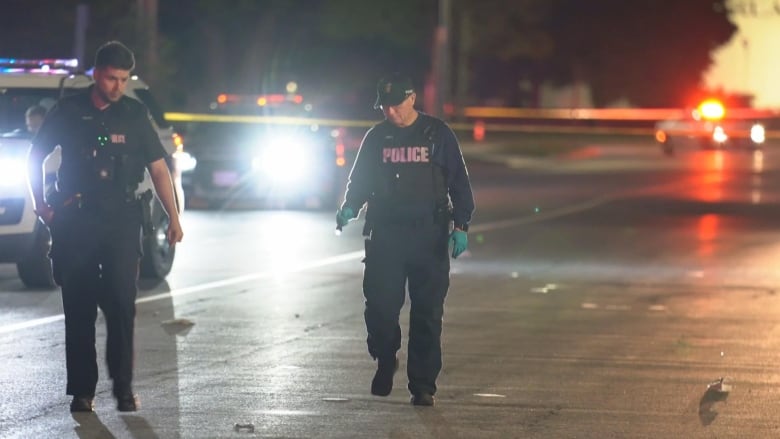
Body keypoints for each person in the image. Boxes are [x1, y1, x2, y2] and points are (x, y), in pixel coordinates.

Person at [26, 41, 184, 413]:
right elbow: (36, 156)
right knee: (78, 307)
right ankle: (82, 392)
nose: (117, 86)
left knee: (121, 305)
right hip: (76, 220)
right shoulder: (69, 111)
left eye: (124, 79)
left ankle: (124, 389)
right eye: (112, 78)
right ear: (97, 73)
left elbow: (158, 169)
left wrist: (174, 217)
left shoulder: (133, 113)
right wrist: (41, 206)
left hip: (122, 220)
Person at [336, 72, 475, 406]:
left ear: (412, 98)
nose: (391, 112)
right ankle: (385, 356)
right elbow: (360, 180)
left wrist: (461, 225)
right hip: (385, 235)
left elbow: (458, 180)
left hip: (428, 235)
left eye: (396, 104)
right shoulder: (376, 137)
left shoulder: (437, 134)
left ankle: (423, 385)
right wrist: (350, 206)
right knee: (381, 307)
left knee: (427, 313)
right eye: (384, 106)